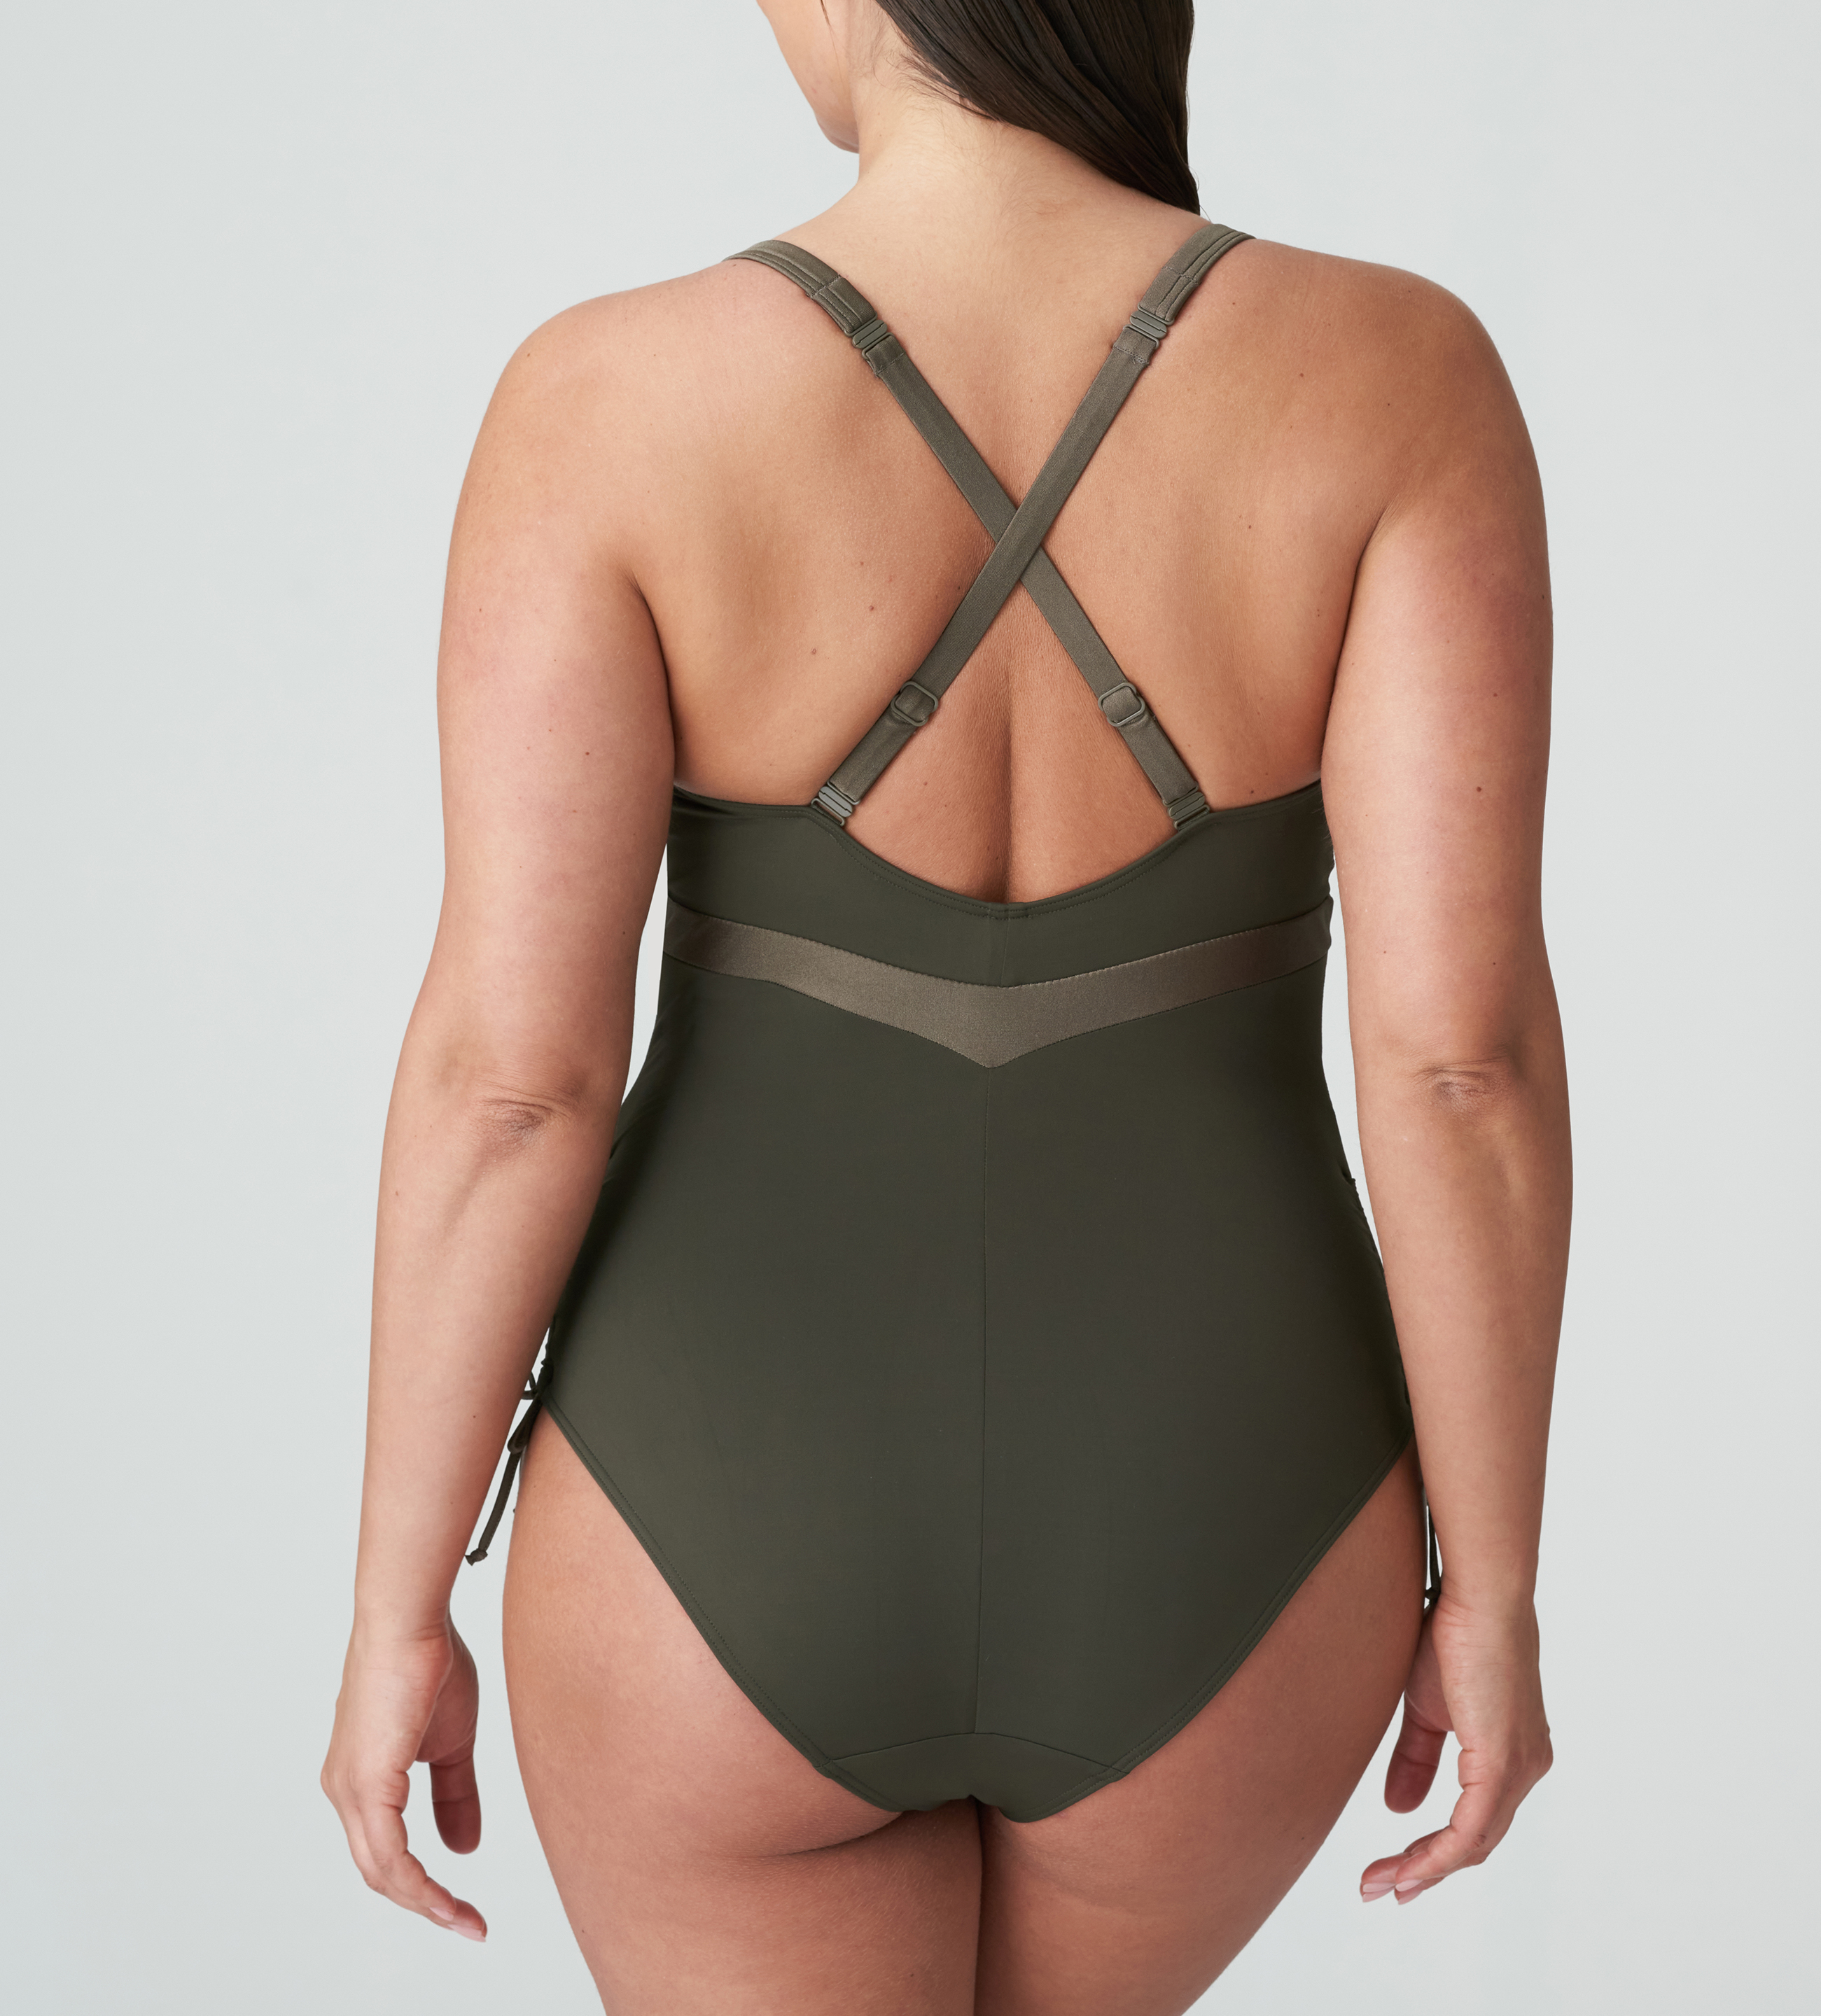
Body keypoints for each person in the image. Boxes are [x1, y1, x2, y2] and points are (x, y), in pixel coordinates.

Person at [320, 2, 1568, 2009]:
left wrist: (398, 1600)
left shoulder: (605, 398)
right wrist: (1492, 1591)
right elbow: (1460, 1068)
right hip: (1228, 1501)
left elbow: (510, 1084)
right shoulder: (1396, 374)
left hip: (712, 1504)